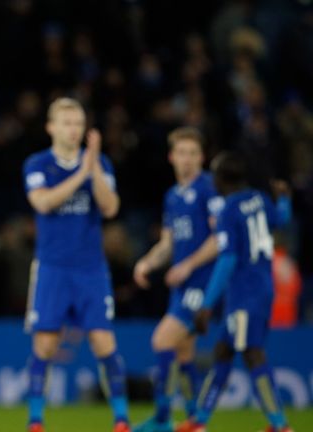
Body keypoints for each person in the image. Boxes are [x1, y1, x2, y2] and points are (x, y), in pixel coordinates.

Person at [21, 98, 130, 432]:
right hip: (52, 268)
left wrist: (92, 168)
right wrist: (80, 173)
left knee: (104, 344)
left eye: (78, 123)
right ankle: (36, 420)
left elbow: (110, 207)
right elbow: (43, 202)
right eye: (67, 123)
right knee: (45, 346)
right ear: (51, 127)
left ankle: (121, 419)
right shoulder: (38, 164)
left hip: (91, 270)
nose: (73, 129)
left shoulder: (100, 164)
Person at [174, 153, 293, 432]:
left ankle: (280, 424)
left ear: (221, 179)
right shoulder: (261, 199)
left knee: (253, 353)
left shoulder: (228, 210)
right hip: (263, 287)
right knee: (223, 350)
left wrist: (206, 304)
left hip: (244, 292)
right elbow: (282, 221)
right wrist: (284, 198)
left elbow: (226, 260)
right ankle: (199, 420)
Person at [132, 128, 223, 432]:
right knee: (184, 352)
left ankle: (162, 418)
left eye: (193, 154)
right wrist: (147, 262)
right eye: (181, 153)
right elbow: (169, 243)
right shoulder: (173, 196)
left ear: (202, 157)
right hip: (183, 285)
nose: (187, 160)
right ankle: (197, 420)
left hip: (202, 281)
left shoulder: (209, 188)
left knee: (162, 340)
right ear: (172, 156)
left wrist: (187, 266)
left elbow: (219, 239)